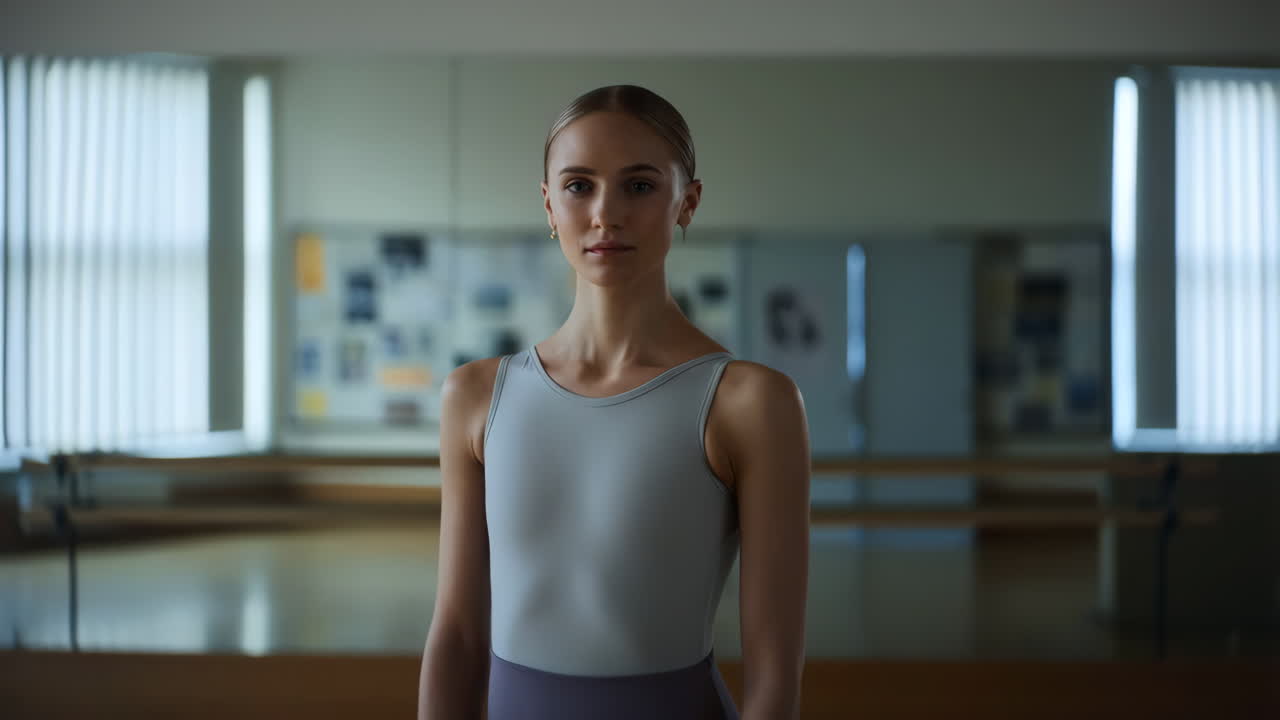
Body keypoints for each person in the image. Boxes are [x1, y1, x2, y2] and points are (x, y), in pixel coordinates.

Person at [418, 84, 811, 720]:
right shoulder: (475, 397)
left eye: (639, 185)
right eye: (579, 185)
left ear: (688, 201)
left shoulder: (749, 403)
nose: (606, 213)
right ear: (549, 205)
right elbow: (458, 640)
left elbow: (775, 681)